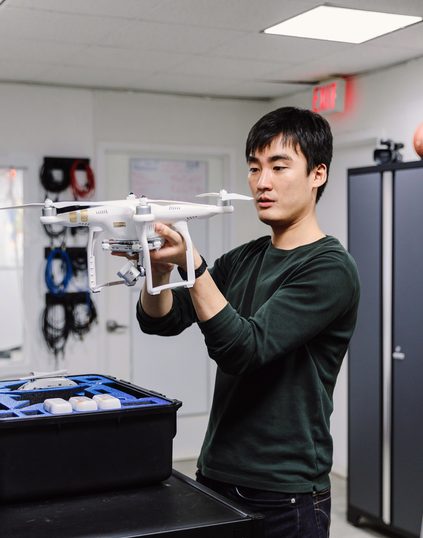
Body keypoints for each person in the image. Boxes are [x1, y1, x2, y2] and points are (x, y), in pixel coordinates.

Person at [136, 106, 360, 538]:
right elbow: (161, 320)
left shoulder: (331, 268)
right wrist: (159, 271)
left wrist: (194, 266)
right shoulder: (246, 256)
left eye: (279, 167)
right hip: (217, 472)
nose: (262, 182)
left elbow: (244, 349)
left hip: (284, 492)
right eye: (254, 168)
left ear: (318, 174)